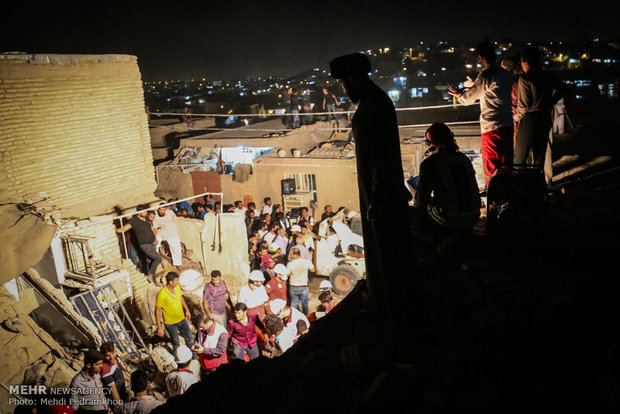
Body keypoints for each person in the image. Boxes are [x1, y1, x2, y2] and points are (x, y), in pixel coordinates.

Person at [329, 52, 413, 321]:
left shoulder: (372, 105)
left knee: (385, 258)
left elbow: (381, 156)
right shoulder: (374, 100)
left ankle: (391, 313)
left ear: (353, 78)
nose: (344, 90)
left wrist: (376, 198)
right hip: (379, 193)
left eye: (344, 84)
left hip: (382, 196)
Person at [449, 41, 515, 188]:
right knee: (506, 166)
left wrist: (460, 94)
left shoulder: (486, 75)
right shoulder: (505, 74)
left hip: (491, 127)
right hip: (508, 125)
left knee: (491, 168)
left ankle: (494, 201)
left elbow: (468, 99)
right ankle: (508, 197)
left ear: (480, 57)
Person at [410, 122, 481, 239]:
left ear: (430, 144)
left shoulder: (430, 163)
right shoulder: (463, 158)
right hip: (472, 217)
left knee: (412, 213)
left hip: (450, 219)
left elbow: (421, 201)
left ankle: (432, 245)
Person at [513, 46, 567, 170]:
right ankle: (537, 183)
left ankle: (518, 184)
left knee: (520, 156)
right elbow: (564, 88)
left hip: (530, 119)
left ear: (525, 62)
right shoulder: (547, 75)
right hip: (545, 117)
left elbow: (524, 106)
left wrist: (516, 117)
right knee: (539, 156)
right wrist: (551, 101)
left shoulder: (525, 78)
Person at [116, 205, 162, 283]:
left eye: (146, 211)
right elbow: (124, 229)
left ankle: (153, 281)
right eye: (144, 211)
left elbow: (151, 228)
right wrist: (116, 229)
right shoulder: (134, 221)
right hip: (145, 245)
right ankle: (150, 275)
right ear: (139, 212)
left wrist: (155, 238)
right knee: (158, 258)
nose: (145, 213)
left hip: (152, 243)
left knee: (151, 262)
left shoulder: (147, 218)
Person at [155, 272, 193, 351]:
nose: (178, 282)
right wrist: (160, 327)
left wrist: (187, 309)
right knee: (176, 342)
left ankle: (193, 356)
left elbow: (181, 297)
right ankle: (179, 359)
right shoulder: (162, 294)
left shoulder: (177, 287)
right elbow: (157, 311)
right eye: (176, 280)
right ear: (170, 282)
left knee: (189, 338)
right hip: (170, 324)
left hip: (182, 319)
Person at [69, 350, 111, 414]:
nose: (101, 366)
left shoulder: (97, 375)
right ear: (89, 365)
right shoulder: (77, 382)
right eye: (98, 364)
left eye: (101, 363)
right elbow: (74, 406)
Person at [192, 313, 228, 379]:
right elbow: (198, 338)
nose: (199, 329)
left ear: (208, 322)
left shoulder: (222, 333)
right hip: (204, 365)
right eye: (199, 326)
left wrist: (203, 350)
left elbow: (221, 350)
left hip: (216, 367)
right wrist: (196, 345)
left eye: (202, 327)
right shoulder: (201, 328)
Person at [286, 247, 315, 315]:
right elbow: (313, 270)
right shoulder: (306, 261)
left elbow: (287, 274)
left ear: (295, 254)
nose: (290, 256)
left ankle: (294, 317)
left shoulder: (290, 264)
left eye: (291, 254)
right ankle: (305, 317)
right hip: (303, 286)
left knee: (294, 303)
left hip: (293, 286)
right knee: (304, 304)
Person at [153, 203, 183, 267]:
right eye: (160, 210)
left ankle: (177, 264)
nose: (161, 212)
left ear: (166, 209)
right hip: (161, 231)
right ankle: (156, 260)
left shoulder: (170, 212)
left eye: (163, 210)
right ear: (158, 209)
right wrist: (155, 238)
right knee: (155, 244)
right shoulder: (155, 214)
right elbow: (155, 227)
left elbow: (175, 220)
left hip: (172, 232)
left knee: (176, 248)